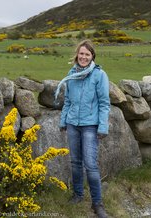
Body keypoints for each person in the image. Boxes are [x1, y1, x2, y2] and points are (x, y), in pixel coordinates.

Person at [55, 39, 110, 218]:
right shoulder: (71, 75)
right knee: (75, 163)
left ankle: (97, 203)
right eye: (81, 53)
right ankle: (78, 195)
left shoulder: (99, 75)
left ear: (92, 56)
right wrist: (64, 121)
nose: (83, 57)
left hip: (90, 126)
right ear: (77, 55)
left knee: (91, 165)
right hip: (72, 125)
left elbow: (104, 103)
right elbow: (68, 101)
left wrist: (102, 126)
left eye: (87, 54)